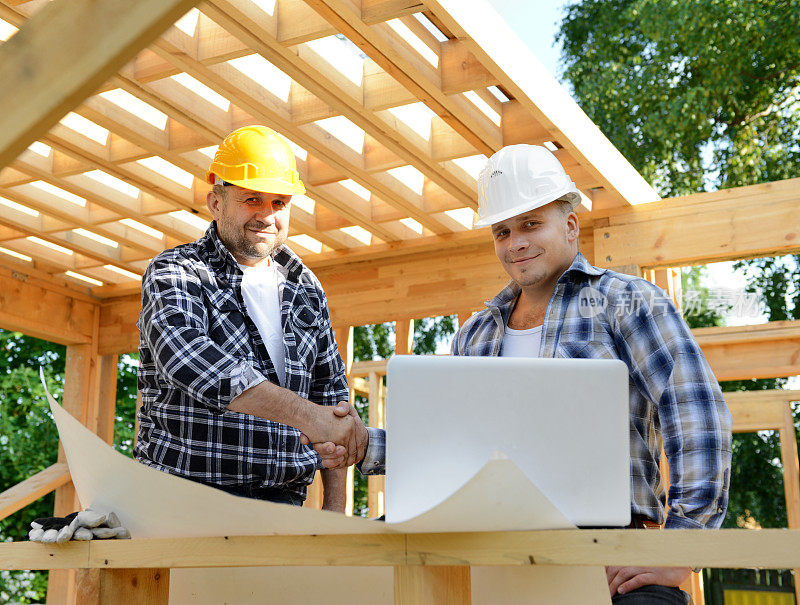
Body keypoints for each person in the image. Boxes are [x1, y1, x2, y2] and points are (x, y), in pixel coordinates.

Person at [310, 145, 732, 602]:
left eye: (531, 224)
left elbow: (696, 414)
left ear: (570, 224)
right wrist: (365, 444)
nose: (516, 243)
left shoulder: (627, 302)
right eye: (502, 231)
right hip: (494, 555)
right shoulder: (476, 334)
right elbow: (452, 447)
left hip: (607, 556)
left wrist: (683, 542)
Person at [135, 125, 367, 511]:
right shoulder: (177, 271)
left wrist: (334, 512)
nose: (266, 215)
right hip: (186, 500)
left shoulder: (305, 287)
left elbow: (331, 395)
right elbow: (191, 361)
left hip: (284, 506)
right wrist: (311, 418)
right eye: (252, 199)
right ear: (215, 202)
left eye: (279, 203)